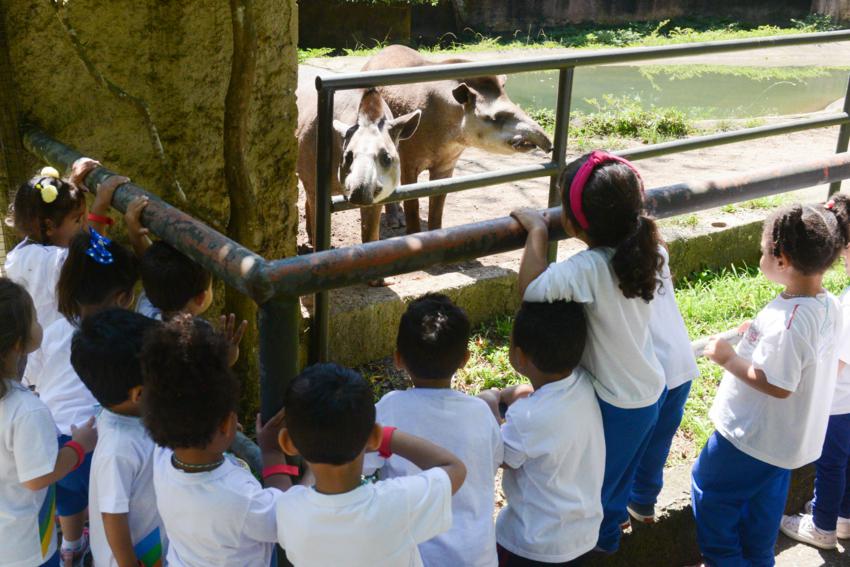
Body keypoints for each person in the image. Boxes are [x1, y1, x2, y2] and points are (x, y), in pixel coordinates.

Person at [511, 150, 666, 552]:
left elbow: (530, 291)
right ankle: (608, 540)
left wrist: (537, 233)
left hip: (618, 404)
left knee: (598, 487)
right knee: (617, 482)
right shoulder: (652, 249)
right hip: (649, 390)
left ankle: (598, 548)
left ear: (575, 222)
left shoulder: (590, 268)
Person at [695, 203, 843, 566]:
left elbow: (778, 384)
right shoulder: (827, 305)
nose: (760, 256)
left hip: (750, 437)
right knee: (762, 512)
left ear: (782, 259)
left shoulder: (791, 321)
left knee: (710, 489)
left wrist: (728, 358)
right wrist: (758, 335)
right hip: (784, 443)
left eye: (763, 250)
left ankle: (724, 559)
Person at [276, 362, 467, 567]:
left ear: (288, 443)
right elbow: (455, 469)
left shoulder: (288, 511)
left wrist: (272, 454)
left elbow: (300, 494)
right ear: (375, 436)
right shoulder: (397, 503)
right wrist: (387, 437)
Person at [24, 229, 138, 566]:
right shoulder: (126, 337)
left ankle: (71, 545)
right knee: (111, 504)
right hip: (101, 441)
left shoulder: (54, 327)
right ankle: (113, 552)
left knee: (69, 500)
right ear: (122, 297)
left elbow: (34, 372)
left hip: (57, 439)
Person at [142, 315, 292, 567]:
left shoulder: (161, 457)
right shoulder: (240, 498)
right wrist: (272, 454)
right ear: (226, 424)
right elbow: (288, 517)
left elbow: (181, 392)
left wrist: (220, 364)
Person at [364, 294, 502, 567]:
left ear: (398, 359)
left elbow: (358, 466)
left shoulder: (390, 408)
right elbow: (494, 460)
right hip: (477, 556)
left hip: (415, 557)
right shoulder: (480, 412)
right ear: (465, 359)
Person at [479, 300, 604, 566]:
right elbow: (545, 406)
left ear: (520, 357)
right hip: (581, 536)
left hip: (532, 544)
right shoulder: (583, 382)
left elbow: (500, 455)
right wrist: (517, 394)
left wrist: (490, 403)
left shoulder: (527, 418)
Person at [0, 278, 97, 567]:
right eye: (34, 318)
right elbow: (37, 476)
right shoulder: (27, 410)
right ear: (19, 344)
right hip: (26, 548)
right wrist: (78, 448)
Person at [780, 194, 850, 550]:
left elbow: (836, 367)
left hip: (839, 404)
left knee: (832, 465)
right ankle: (843, 516)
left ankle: (823, 526)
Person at [70, 309, 166, 567]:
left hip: (151, 542)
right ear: (138, 393)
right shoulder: (119, 448)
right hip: (132, 556)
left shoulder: (124, 412)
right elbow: (113, 514)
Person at [4, 161, 126, 331]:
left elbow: (56, 214)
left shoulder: (20, 254)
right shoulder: (52, 262)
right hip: (61, 350)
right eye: (78, 220)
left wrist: (71, 185)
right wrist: (99, 207)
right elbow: (97, 257)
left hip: (38, 351)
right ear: (49, 226)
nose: (85, 227)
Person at [124, 197, 246, 366]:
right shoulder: (199, 339)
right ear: (201, 298)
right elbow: (208, 373)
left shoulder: (146, 306)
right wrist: (227, 357)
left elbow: (153, 268)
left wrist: (134, 232)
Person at [627, 244, 700, 525]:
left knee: (630, 443)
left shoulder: (609, 261)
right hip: (679, 361)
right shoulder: (656, 249)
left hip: (649, 370)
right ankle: (643, 501)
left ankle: (617, 509)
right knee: (659, 439)